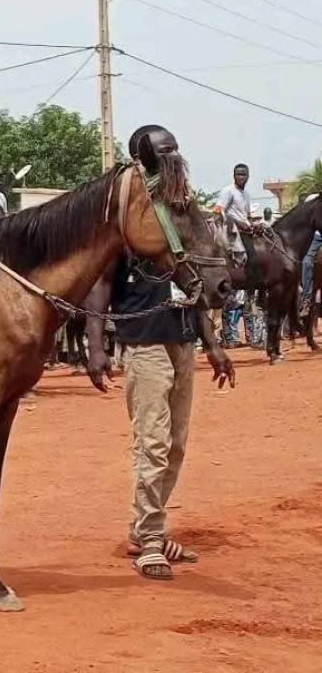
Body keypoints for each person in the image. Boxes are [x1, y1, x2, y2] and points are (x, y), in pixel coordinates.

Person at [86, 124, 235, 581]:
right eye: (163, 150)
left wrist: (213, 344)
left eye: (175, 148)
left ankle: (145, 526)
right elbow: (101, 282)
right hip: (143, 339)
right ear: (142, 156)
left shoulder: (183, 209)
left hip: (181, 336)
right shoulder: (126, 212)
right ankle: (150, 539)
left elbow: (194, 284)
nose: (173, 155)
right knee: (151, 441)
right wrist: (96, 345)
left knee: (175, 443)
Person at [214, 164, 261, 286]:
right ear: (234, 176)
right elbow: (218, 211)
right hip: (234, 231)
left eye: (243, 174)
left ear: (248, 177)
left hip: (246, 230)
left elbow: (247, 215)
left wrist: (253, 224)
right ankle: (249, 291)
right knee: (253, 259)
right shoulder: (228, 191)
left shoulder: (246, 194)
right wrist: (238, 223)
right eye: (238, 174)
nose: (241, 177)